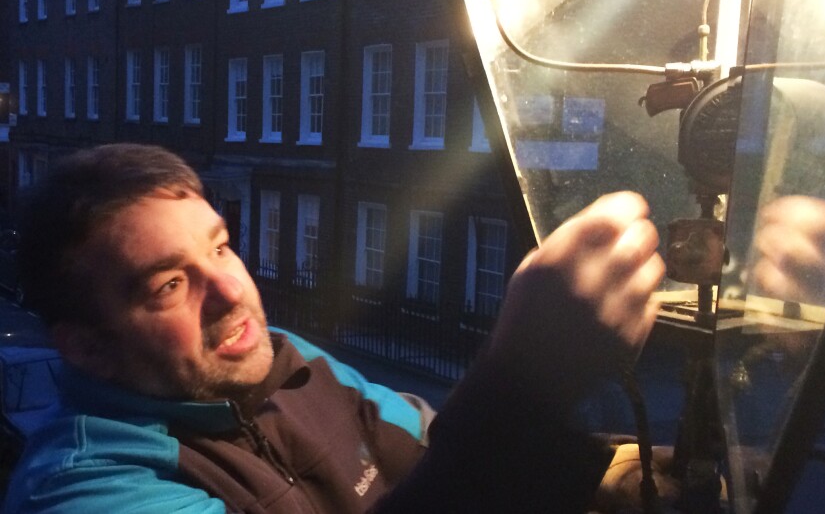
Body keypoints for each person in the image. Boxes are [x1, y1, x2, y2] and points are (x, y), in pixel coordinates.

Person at [4, 143, 665, 513]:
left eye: (221, 247)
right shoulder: (79, 488)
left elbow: (435, 449)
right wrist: (527, 384)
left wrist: (624, 471)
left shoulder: (290, 363)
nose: (231, 291)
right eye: (169, 285)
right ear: (87, 345)